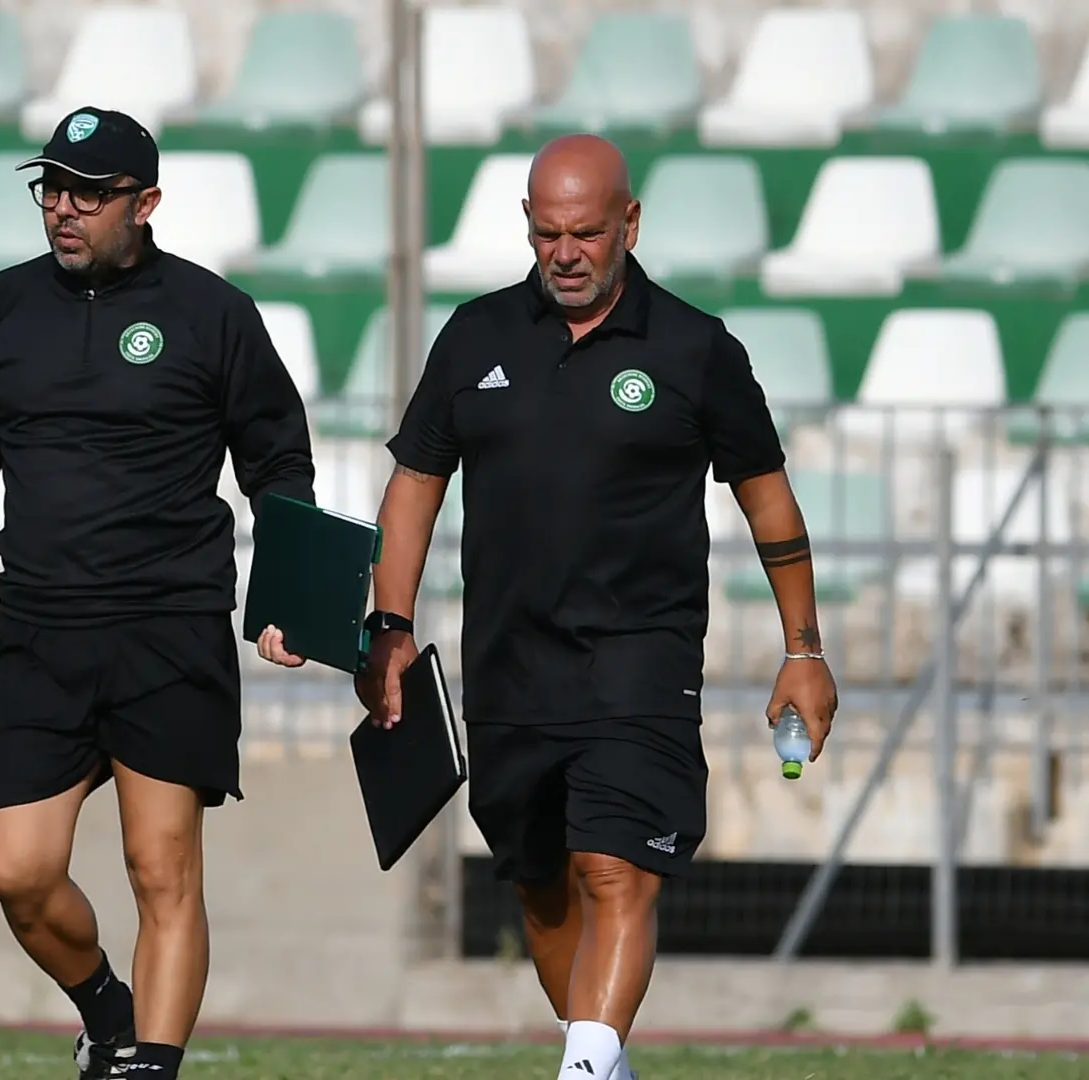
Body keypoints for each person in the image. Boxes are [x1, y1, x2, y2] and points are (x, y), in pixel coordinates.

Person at [256, 134, 837, 1080]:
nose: (566, 253)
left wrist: (803, 649)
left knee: (614, 868)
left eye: (587, 233)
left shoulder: (696, 350)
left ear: (630, 225)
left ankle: (580, 1070)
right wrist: (391, 629)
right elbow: (413, 488)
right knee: (541, 891)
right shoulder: (476, 336)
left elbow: (768, 501)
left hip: (638, 663)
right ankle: (603, 1064)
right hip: (507, 669)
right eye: (547, 234)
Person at [0, 107, 315, 1080]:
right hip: (41, 633)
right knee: (19, 874)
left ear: (146, 202)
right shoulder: (5, 306)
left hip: (171, 631)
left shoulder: (214, 313)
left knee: (161, 869)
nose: (64, 209)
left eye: (89, 192)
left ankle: (149, 1066)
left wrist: (290, 589)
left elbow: (279, 465)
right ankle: (105, 1007)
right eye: (51, 188)